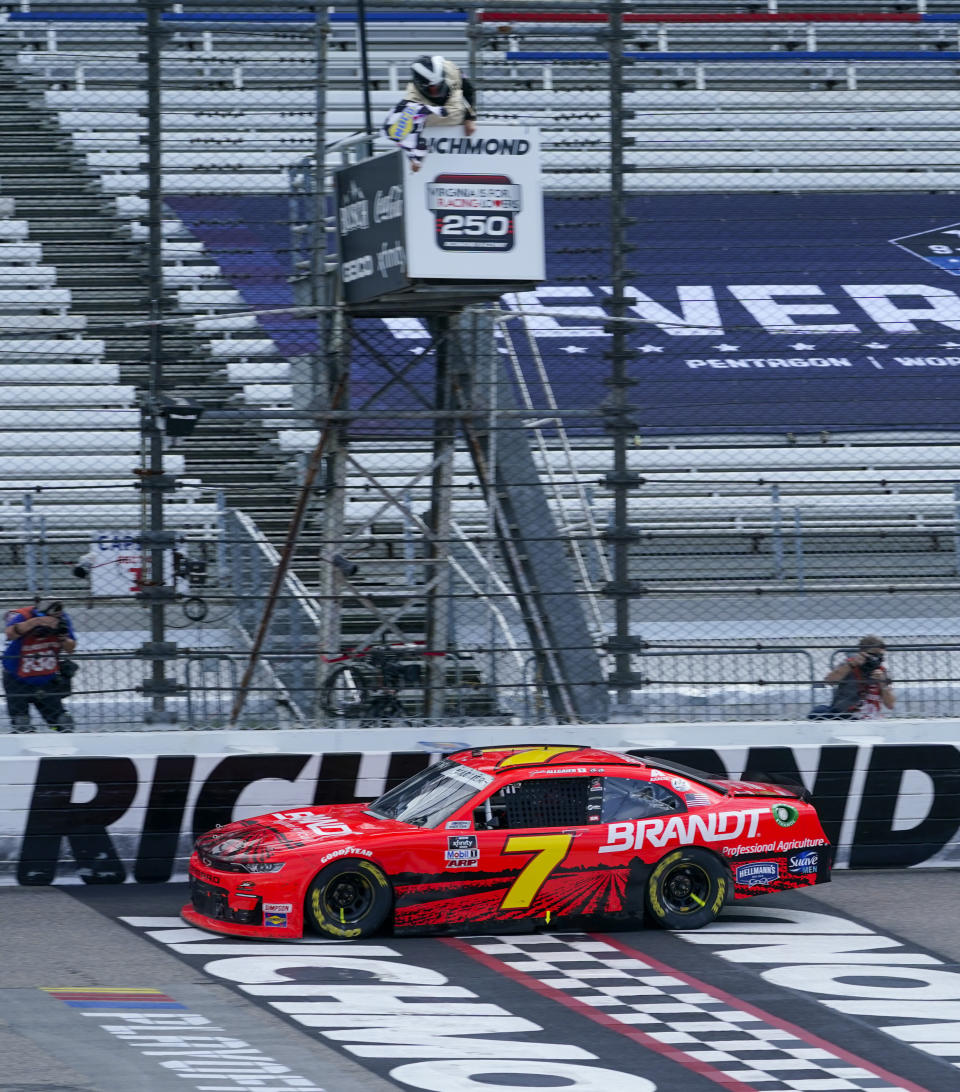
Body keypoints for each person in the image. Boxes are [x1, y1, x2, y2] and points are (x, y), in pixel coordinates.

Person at [382, 54, 478, 171]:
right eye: (433, 88)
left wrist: (470, 117)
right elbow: (404, 131)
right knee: (412, 117)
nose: (436, 90)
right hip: (436, 111)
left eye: (439, 84)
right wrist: (413, 159)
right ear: (421, 85)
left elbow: (469, 90)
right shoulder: (412, 97)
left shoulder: (451, 69)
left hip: (448, 105)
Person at [3, 596, 77, 733]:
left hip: (45, 677)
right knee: (22, 724)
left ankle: (60, 740)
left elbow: (71, 648)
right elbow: (10, 634)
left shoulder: (62, 620)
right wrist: (36, 623)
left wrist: (62, 638)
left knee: (63, 722)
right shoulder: (24, 616)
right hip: (17, 678)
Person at [809, 634, 895, 720]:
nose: (877, 659)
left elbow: (890, 705)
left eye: (881, 656)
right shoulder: (849, 664)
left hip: (869, 718)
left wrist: (882, 683)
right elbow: (829, 681)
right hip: (846, 715)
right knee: (818, 712)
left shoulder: (882, 672)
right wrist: (851, 665)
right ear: (862, 653)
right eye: (874, 655)